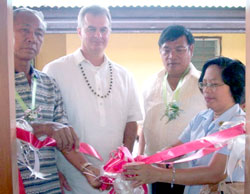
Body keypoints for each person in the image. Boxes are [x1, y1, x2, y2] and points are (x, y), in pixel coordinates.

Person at [43, 5, 143, 194]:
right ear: (79, 31)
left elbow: (131, 122)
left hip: (115, 180)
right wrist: (53, 170)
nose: (98, 35)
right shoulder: (54, 71)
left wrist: (123, 163)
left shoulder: (125, 75)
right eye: (91, 28)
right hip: (72, 179)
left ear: (109, 32)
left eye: (103, 29)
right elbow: (48, 126)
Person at [124, 57, 245, 194]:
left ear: (235, 86)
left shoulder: (239, 126)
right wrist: (156, 158)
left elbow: (215, 173)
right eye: (204, 84)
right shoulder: (202, 118)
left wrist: (157, 174)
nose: (206, 90)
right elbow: (178, 148)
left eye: (214, 84)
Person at [14, 8, 101, 193]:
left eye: (39, 33)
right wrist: (44, 127)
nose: (32, 38)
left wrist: (87, 170)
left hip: (50, 186)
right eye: (24, 30)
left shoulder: (48, 83)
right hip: (11, 185)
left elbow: (63, 138)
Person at [139, 25, 206, 193]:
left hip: (191, 174)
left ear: (191, 49)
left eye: (179, 49)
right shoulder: (150, 84)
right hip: (154, 172)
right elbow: (144, 129)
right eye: (166, 50)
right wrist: (140, 158)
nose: (172, 56)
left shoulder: (204, 84)